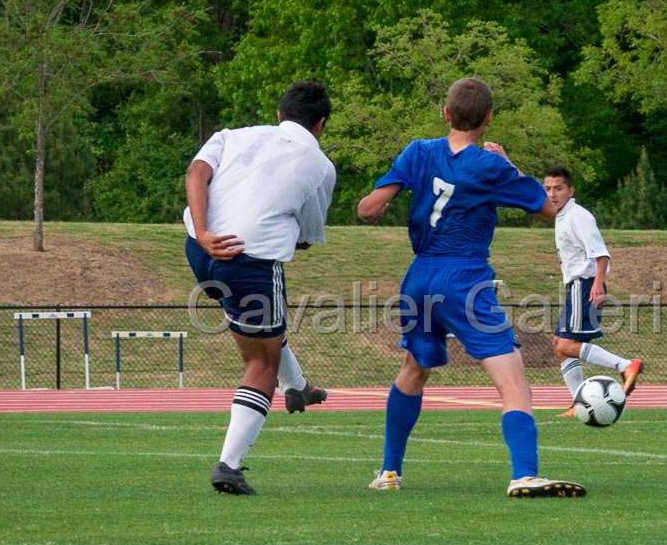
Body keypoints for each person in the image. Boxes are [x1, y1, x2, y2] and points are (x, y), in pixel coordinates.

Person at [357, 77, 586, 498]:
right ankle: (524, 473)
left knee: (414, 368)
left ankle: (389, 471)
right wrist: (511, 165)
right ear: (488, 119)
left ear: (446, 114)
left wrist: (387, 201)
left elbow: (368, 208)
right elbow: (547, 209)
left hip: (420, 277)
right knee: (512, 380)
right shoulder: (490, 165)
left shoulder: (418, 151)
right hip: (464, 279)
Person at [184, 80, 336, 495]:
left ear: (279, 113)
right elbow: (308, 236)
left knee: (267, 331)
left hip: (198, 250)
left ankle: (299, 386)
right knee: (260, 362)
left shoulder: (234, 135)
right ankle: (228, 467)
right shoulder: (321, 165)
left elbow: (197, 172)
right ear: (320, 124)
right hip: (249, 262)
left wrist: (202, 231)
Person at [542, 165, 642, 417]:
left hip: (585, 284)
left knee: (566, 344)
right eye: (548, 189)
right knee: (559, 345)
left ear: (570, 190)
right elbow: (525, 187)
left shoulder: (578, 216)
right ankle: (578, 403)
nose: (552, 194)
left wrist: (597, 285)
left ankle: (626, 365)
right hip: (575, 285)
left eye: (558, 188)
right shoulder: (562, 215)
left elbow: (601, 253)